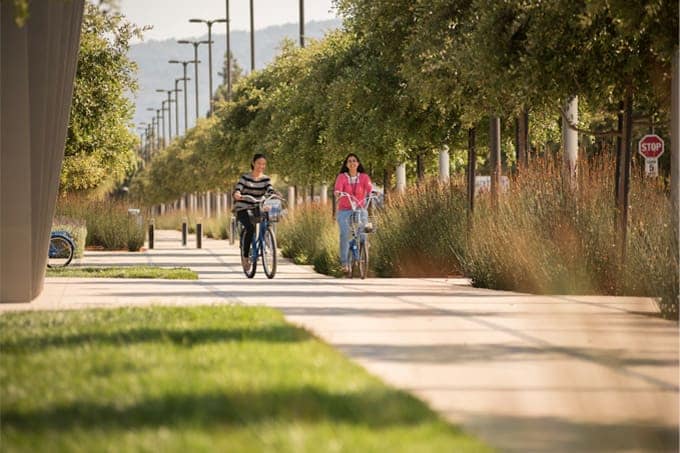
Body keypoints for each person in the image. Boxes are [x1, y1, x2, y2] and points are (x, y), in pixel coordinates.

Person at [233, 153, 276, 266]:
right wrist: (237, 193)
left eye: (263, 164)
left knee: (269, 221)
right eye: (259, 163)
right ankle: (245, 257)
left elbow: (270, 189)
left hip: (258, 207)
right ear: (253, 163)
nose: (261, 166)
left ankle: (266, 239)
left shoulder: (266, 179)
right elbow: (239, 188)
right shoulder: (245, 178)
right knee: (250, 228)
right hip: (243, 208)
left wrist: (274, 194)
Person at [334, 153, 373, 275]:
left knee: (365, 228)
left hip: (360, 208)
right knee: (345, 234)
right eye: (349, 161)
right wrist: (338, 193)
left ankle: (364, 243)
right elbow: (338, 189)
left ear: (358, 163)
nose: (352, 162)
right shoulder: (342, 177)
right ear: (346, 164)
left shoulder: (364, 177)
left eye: (354, 160)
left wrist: (373, 192)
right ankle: (344, 262)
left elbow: (370, 187)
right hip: (345, 209)